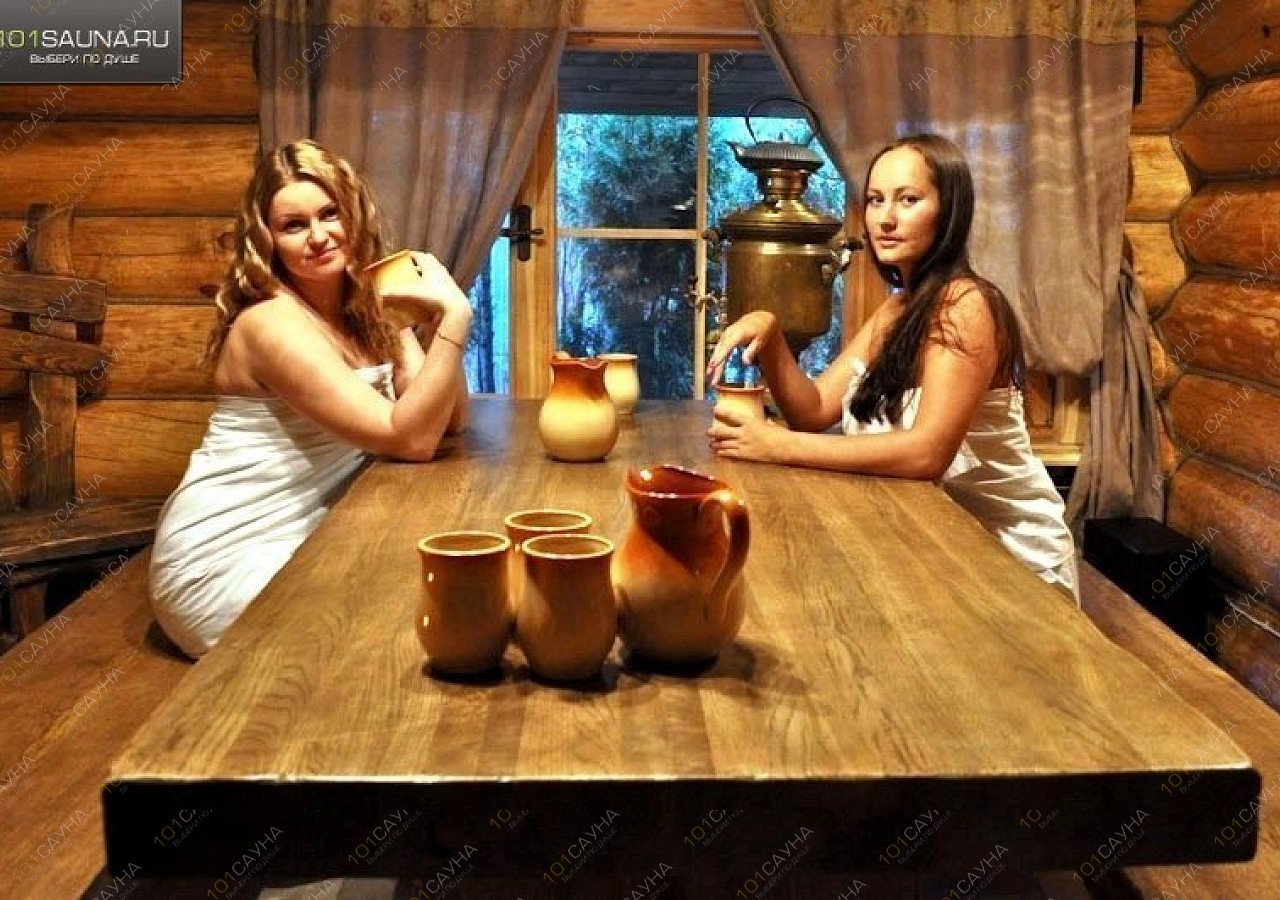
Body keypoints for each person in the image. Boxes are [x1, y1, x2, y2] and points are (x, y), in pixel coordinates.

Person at [706, 133, 1078, 601]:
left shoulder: (967, 305)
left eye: (908, 200)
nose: (885, 218)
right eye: (875, 200)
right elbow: (814, 410)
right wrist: (772, 335)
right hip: (938, 545)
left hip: (1010, 557)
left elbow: (926, 453)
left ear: (949, 211)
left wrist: (777, 445)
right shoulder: (897, 309)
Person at [149, 139, 473, 657]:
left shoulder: (358, 311)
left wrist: (419, 321)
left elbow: (447, 420)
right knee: (417, 630)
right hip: (227, 555)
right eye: (293, 225)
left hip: (314, 535)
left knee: (457, 602)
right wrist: (457, 317)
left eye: (330, 214)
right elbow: (410, 439)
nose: (319, 237)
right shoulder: (271, 324)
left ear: (354, 214)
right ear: (268, 240)